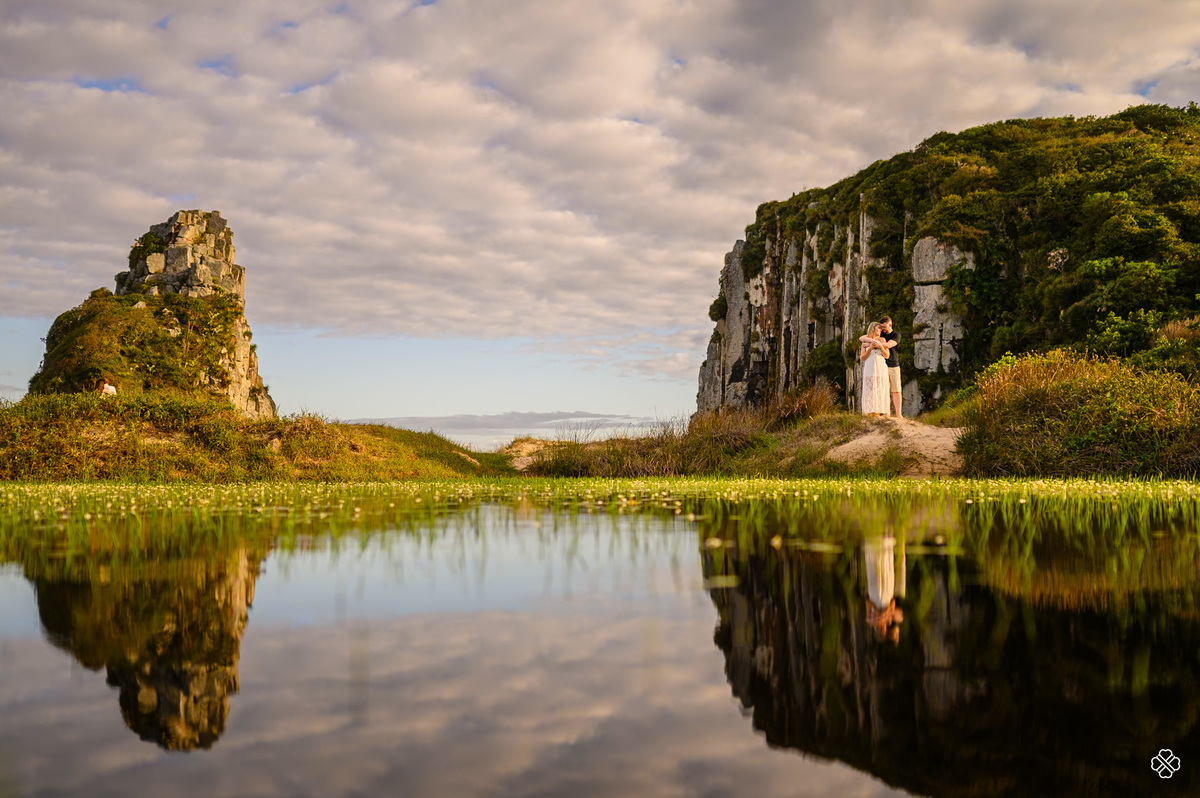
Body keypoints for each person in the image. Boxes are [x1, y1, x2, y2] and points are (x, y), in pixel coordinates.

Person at [859, 322, 890, 416]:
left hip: (880, 365)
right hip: (870, 365)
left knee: (880, 387)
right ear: (873, 329)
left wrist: (881, 346)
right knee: (870, 388)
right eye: (878, 328)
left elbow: (887, 355)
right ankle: (869, 411)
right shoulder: (865, 342)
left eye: (881, 328)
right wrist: (870, 349)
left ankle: (879, 410)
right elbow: (862, 358)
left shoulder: (882, 339)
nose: (880, 330)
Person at [879, 316, 902, 416]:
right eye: (881, 327)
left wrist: (876, 344)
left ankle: (898, 414)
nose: (883, 329)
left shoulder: (896, 335)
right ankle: (885, 412)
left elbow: (889, 345)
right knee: (883, 390)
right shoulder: (880, 334)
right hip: (881, 365)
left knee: (896, 390)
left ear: (890, 325)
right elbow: (863, 337)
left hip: (893, 365)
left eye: (884, 326)